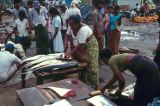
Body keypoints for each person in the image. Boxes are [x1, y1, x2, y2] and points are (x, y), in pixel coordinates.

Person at [65, 15, 99, 89]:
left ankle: (96, 87)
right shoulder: (71, 25)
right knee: (80, 64)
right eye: (69, 25)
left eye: (72, 25)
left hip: (90, 46)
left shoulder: (83, 29)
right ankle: (83, 84)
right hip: (80, 46)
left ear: (77, 24)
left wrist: (70, 53)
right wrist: (65, 45)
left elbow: (81, 44)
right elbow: (67, 35)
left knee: (91, 65)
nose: (70, 27)